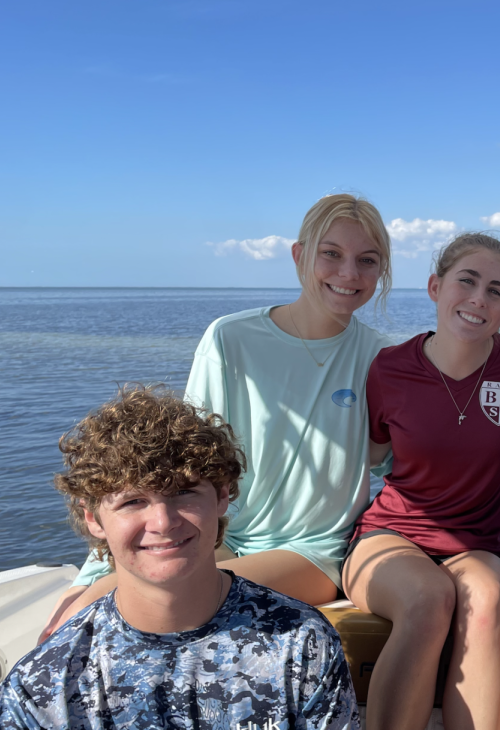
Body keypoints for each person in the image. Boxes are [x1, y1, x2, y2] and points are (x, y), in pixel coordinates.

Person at [41, 193, 395, 639]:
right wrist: (97, 566)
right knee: (79, 606)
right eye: (331, 254)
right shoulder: (231, 337)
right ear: (300, 256)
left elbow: (392, 459)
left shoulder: (383, 359)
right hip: (219, 533)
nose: (349, 273)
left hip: (312, 552)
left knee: (122, 602)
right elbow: (184, 455)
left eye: (367, 260)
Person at [0, 386, 359, 730]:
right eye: (133, 501)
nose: (163, 522)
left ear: (223, 496)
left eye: (184, 492)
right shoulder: (43, 684)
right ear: (92, 518)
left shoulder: (300, 644)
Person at [340, 233, 500, 730]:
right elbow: (366, 456)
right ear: (435, 286)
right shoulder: (389, 369)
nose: (479, 298)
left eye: (495, 290)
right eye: (467, 281)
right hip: (389, 536)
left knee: (487, 599)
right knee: (429, 598)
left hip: (476, 544)